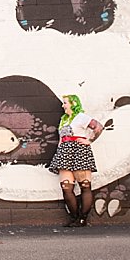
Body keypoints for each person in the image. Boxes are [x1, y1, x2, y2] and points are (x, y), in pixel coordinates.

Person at [48, 94, 104, 227]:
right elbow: (61, 139)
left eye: (65, 103)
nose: (63, 105)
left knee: (85, 186)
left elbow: (99, 127)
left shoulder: (81, 117)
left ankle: (82, 219)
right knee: (66, 187)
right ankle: (75, 217)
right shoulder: (64, 120)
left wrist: (89, 140)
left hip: (79, 152)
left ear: (73, 104)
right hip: (64, 153)